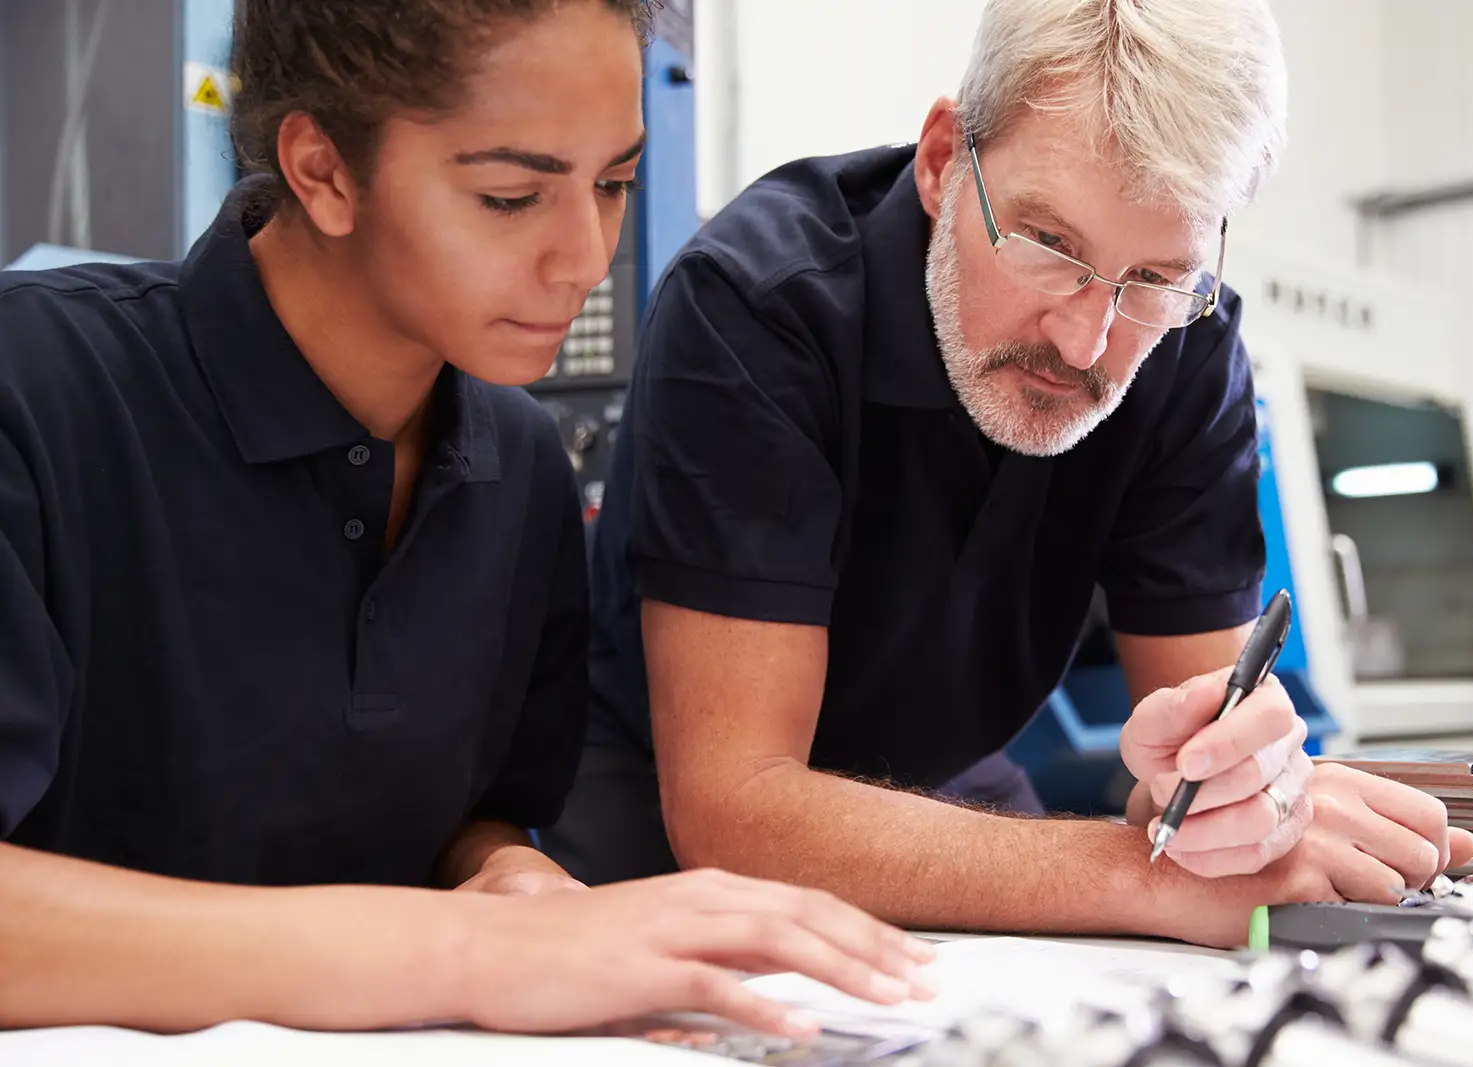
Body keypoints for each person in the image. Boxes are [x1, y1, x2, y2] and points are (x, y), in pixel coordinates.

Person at [0, 0, 936, 1038]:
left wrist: (510, 876)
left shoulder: (518, 464)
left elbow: (470, 817)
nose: (585, 258)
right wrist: (466, 953)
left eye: (614, 183)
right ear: (322, 169)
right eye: (509, 197)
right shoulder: (36, 393)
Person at [545, 0, 1473, 948]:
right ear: (942, 162)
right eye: (1050, 245)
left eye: (1155, 278)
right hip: (663, 803)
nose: (1086, 341)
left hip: (945, 782)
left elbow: (1197, 771)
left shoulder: (1185, 347)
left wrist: (1246, 801)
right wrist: (1143, 876)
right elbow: (737, 807)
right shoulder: (760, 306)